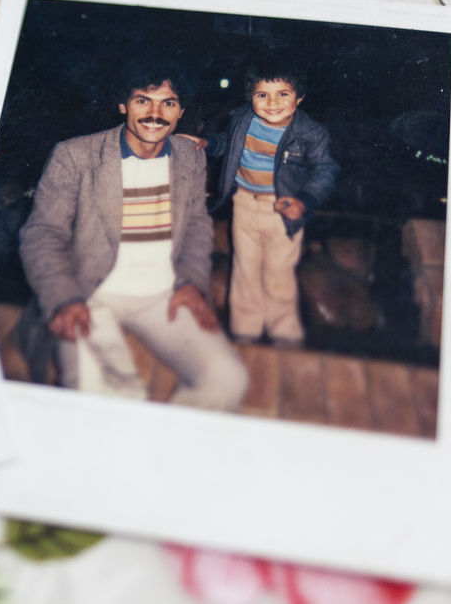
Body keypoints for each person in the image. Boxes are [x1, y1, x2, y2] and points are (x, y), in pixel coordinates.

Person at [17, 64, 248, 409]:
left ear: (181, 111)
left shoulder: (189, 156)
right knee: (101, 397)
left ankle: (161, 440)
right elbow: (42, 233)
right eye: (143, 101)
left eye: (168, 103)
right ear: (123, 105)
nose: (155, 114)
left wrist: (190, 281)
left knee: (228, 379)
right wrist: (64, 299)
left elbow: (198, 224)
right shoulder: (75, 155)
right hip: (89, 294)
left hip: (163, 296)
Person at [201, 63, 339, 346]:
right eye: (262, 95)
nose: (272, 103)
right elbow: (228, 143)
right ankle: (245, 333)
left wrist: (305, 201)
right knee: (244, 269)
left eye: (283, 94)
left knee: (279, 273)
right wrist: (208, 143)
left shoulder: (310, 133)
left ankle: (284, 334)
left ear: (299, 98)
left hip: (283, 210)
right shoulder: (242, 119)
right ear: (250, 97)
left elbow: (325, 170)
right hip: (244, 204)